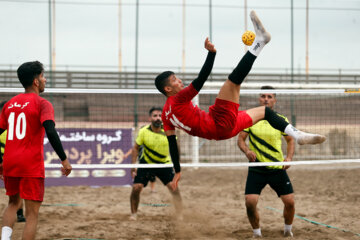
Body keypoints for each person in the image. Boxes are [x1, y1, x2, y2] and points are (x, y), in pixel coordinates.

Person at [154, 10, 326, 190]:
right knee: (233, 81)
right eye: (174, 80)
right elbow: (201, 79)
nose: (179, 80)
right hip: (217, 122)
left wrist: (178, 170)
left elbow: (172, 143)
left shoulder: (166, 114)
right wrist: (211, 54)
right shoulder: (178, 99)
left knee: (265, 111)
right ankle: (260, 42)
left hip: (224, 131)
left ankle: (297, 135)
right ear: (168, 89)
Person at [0, 61, 72, 240]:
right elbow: (51, 131)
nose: (45, 80)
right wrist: (64, 159)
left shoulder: (10, 104)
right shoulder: (42, 103)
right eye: (42, 76)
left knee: (12, 204)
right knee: (32, 214)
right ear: (36, 81)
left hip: (10, 160)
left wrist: (0, 161)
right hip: (30, 163)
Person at [238, 86, 295, 238]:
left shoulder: (281, 120)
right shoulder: (250, 118)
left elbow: (290, 140)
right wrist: (247, 151)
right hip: (257, 168)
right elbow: (240, 140)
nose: (266, 99)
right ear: (259, 99)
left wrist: (288, 158)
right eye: (263, 96)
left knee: (290, 202)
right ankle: (257, 233)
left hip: (277, 168)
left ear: (274, 100)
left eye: (269, 97)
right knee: (250, 203)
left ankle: (288, 230)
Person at [130, 107, 182, 220]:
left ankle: (180, 215)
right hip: (146, 163)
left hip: (164, 164)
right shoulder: (144, 131)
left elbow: (176, 149)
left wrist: (177, 166)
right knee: (136, 188)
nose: (158, 118)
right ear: (150, 118)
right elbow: (135, 148)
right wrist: (133, 166)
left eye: (160, 116)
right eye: (155, 116)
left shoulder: (169, 131)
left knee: (174, 188)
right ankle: (133, 214)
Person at [0, 101, 26, 223]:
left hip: (6, 162)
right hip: (11, 162)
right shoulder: (17, 128)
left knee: (14, 193)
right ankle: (20, 214)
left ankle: (19, 213)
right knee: (17, 191)